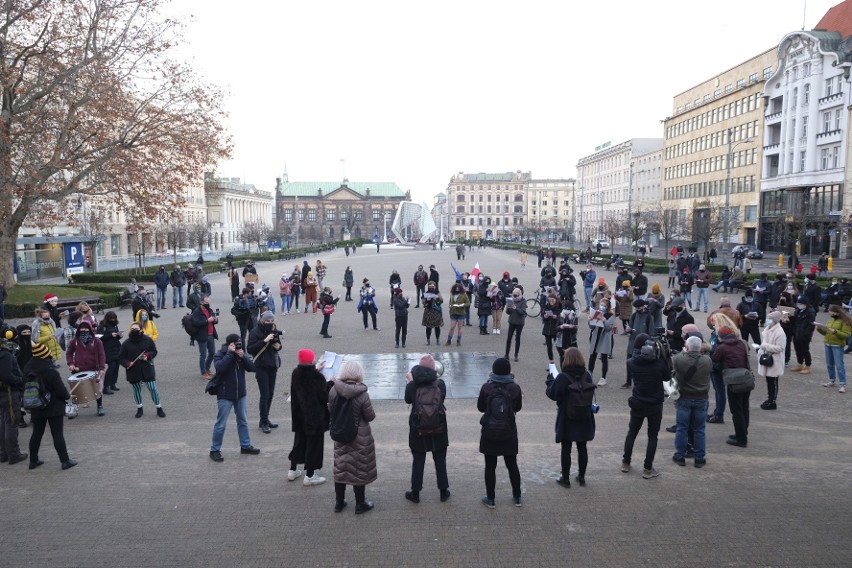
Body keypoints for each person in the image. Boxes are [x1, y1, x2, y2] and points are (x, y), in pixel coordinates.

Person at [328, 360, 377, 514]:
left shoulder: (333, 391)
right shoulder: (362, 394)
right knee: (359, 469)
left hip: (340, 434)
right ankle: (360, 504)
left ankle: (339, 502)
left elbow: (331, 410)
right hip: (359, 437)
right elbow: (370, 416)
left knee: (341, 467)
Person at [545, 347, 596, 487]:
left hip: (567, 417)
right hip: (584, 415)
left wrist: (549, 382)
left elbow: (552, 394)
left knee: (566, 448)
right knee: (582, 447)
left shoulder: (563, 377)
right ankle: (581, 477)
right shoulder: (587, 375)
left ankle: (565, 479)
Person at [404, 354, 450, 504]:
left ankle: (415, 493)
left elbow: (407, 400)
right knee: (440, 460)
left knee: (418, 460)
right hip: (439, 427)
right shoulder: (440, 384)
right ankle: (443, 492)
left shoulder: (412, 385)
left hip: (418, 428)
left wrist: (411, 382)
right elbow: (441, 398)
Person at [477, 357, 523, 508]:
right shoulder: (515, 388)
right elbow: (518, 408)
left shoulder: (486, 387)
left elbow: (480, 408)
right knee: (512, 465)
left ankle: (490, 499)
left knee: (490, 466)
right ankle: (517, 497)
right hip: (508, 430)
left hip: (490, 430)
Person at [621, 333, 669, 479]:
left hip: (638, 403)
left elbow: (633, 360)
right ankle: (648, 469)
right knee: (652, 437)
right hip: (655, 404)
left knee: (632, 433)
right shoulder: (660, 364)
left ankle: (626, 463)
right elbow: (667, 378)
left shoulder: (631, 363)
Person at [25, 342, 76, 470]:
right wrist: (67, 396)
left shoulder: (27, 370)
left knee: (36, 433)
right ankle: (65, 461)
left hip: (36, 405)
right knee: (57, 434)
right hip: (54, 407)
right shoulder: (51, 372)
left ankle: (33, 460)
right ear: (46, 355)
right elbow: (61, 391)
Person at [209, 334, 260, 462]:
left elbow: (252, 368)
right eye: (236, 343)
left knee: (243, 421)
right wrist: (230, 354)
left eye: (239, 343)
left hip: (240, 394)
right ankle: (214, 450)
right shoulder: (220, 354)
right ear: (229, 344)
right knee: (221, 424)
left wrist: (243, 357)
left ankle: (245, 446)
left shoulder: (240, 354)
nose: (238, 345)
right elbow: (219, 367)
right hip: (225, 395)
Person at [288, 349, 331, 485]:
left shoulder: (296, 373)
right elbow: (324, 396)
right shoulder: (317, 377)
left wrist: (316, 370)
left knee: (299, 442)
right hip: (315, 418)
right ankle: (310, 476)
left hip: (299, 415)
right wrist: (331, 383)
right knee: (314, 445)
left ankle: (292, 470)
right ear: (311, 360)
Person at [671, 336, 711, 467]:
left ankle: (680, 456)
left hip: (684, 397)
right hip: (701, 398)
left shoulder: (679, 359)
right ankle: (699, 457)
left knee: (682, 428)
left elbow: (672, 367)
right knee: (699, 429)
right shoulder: (707, 360)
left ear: (687, 347)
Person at [712, 324, 752, 447]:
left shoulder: (722, 347)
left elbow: (715, 359)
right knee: (745, 407)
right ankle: (742, 433)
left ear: (721, 337)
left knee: (736, 410)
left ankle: (741, 439)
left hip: (734, 380)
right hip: (746, 377)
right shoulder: (742, 343)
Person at [119, 322, 165, 418]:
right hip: (133, 370)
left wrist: (148, 356)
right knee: (136, 390)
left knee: (152, 388)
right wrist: (127, 363)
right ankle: (139, 408)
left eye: (136, 329)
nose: (134, 330)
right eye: (132, 329)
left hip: (147, 368)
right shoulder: (126, 343)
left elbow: (154, 351)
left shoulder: (148, 340)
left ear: (141, 330)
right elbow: (121, 357)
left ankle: (159, 407)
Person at [247, 311, 282, 433]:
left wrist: (276, 344)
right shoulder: (255, 332)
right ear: (262, 321)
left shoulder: (273, 329)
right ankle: (264, 422)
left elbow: (279, 346)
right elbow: (250, 349)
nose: (270, 323)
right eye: (268, 321)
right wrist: (265, 340)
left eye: (272, 321)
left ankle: (265, 419)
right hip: (261, 366)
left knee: (271, 394)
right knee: (265, 395)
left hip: (272, 365)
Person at [66, 321, 106, 416]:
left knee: (97, 390)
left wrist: (102, 368)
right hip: (78, 369)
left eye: (86, 328)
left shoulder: (97, 341)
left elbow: (101, 355)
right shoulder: (74, 341)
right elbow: (69, 353)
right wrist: (71, 364)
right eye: (82, 328)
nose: (84, 330)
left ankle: (100, 406)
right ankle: (74, 409)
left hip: (93, 369)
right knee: (77, 391)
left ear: (90, 329)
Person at [0, 329, 26, 465]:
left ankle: (3, 453)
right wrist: (19, 380)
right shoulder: (5, 355)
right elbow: (6, 375)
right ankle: (14, 454)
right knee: (11, 423)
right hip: (8, 393)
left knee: (4, 423)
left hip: (3, 393)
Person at [754, 311, 787, 410]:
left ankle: (772, 401)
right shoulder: (767, 329)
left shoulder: (780, 332)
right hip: (767, 358)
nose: (768, 320)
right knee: (769, 381)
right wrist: (761, 350)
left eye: (770, 319)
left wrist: (765, 346)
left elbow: (780, 348)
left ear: (775, 320)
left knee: (773, 381)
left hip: (775, 360)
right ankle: (770, 399)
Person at [818, 305, 852, 393]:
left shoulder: (844, 322)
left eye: (831, 312)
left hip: (837, 346)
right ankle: (832, 380)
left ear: (836, 312)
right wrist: (820, 329)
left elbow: (846, 335)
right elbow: (827, 333)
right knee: (829, 364)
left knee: (839, 365)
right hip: (828, 344)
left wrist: (835, 332)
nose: (830, 313)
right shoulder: (831, 320)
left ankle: (842, 383)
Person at [588, 298, 616, 386]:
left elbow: (608, 328)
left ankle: (603, 377)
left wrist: (604, 320)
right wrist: (590, 320)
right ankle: (589, 374)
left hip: (604, 338)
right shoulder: (597, 313)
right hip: (596, 336)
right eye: (601, 305)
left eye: (604, 306)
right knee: (592, 357)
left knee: (604, 358)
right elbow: (592, 327)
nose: (602, 307)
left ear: (607, 307)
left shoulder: (610, 315)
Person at [191, 295, 219, 380]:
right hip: (202, 335)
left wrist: (215, 320)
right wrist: (207, 321)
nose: (208, 304)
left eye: (208, 302)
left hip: (211, 334)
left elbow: (212, 321)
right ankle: (203, 372)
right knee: (203, 354)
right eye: (206, 302)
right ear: (201, 302)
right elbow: (196, 323)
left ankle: (207, 369)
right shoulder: (197, 311)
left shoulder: (209, 310)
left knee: (212, 353)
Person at [96, 312, 122, 395]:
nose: (113, 320)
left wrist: (119, 336)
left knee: (116, 366)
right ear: (107, 318)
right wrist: (110, 335)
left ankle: (113, 384)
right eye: (111, 318)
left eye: (114, 318)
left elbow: (116, 337)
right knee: (112, 366)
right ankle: (106, 387)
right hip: (107, 349)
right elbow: (99, 338)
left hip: (116, 348)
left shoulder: (114, 325)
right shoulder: (102, 326)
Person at [790, 295, 816, 375]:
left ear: (805, 304)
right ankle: (799, 364)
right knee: (797, 350)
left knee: (805, 350)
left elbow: (811, 325)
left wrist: (806, 334)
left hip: (805, 335)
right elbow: (794, 321)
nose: (798, 305)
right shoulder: (798, 310)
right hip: (796, 333)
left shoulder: (810, 311)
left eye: (800, 304)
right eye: (798, 304)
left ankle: (808, 366)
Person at [504, 288, 527, 362]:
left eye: (516, 295)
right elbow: (508, 312)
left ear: (519, 294)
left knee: (517, 338)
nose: (515, 296)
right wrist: (507, 307)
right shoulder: (511, 300)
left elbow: (523, 312)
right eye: (514, 294)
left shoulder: (523, 301)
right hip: (512, 321)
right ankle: (506, 354)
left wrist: (516, 308)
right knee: (509, 338)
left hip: (520, 322)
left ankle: (516, 354)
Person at [422, 281, 444, 346]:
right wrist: (426, 300)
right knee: (428, 327)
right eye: (430, 286)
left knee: (437, 327)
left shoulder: (437, 293)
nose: (431, 287)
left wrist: (437, 298)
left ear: (435, 286)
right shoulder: (426, 293)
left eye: (432, 286)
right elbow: (423, 303)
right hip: (428, 312)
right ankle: (428, 340)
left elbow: (441, 301)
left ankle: (438, 340)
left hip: (436, 312)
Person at [541, 295, 561, 362]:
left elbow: (562, 319)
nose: (551, 302)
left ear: (556, 300)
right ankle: (551, 362)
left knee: (559, 347)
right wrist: (545, 317)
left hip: (556, 330)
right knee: (549, 348)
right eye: (549, 301)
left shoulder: (559, 307)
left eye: (552, 300)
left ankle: (563, 360)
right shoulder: (547, 307)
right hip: (547, 330)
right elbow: (543, 318)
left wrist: (557, 317)